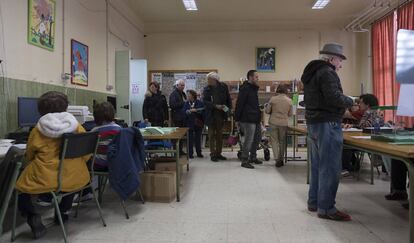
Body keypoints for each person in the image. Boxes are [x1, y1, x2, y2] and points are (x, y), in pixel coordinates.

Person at [15, 91, 90, 239]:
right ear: (66, 107)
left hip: (45, 179)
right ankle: (63, 211)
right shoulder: (78, 128)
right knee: (71, 178)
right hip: (76, 178)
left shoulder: (37, 130)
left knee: (20, 189)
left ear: (40, 110)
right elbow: (86, 155)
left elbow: (29, 156)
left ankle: (32, 215)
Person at [301, 43, 353, 221]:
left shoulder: (312, 72)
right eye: (339, 60)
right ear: (331, 59)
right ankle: (327, 208)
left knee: (317, 165)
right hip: (328, 123)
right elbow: (334, 97)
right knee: (330, 167)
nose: (340, 64)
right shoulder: (327, 72)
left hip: (314, 123)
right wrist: (351, 101)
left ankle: (314, 202)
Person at [342, 94, 384, 174]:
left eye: (361, 103)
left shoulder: (373, 113)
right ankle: (351, 166)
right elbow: (362, 126)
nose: (359, 105)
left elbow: (365, 125)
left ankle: (346, 168)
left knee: (344, 145)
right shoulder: (368, 112)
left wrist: (354, 125)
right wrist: (352, 125)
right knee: (344, 144)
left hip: (369, 141)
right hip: (365, 138)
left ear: (367, 105)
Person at [235, 70, 262, 169]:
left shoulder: (254, 89)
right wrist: (237, 119)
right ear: (250, 77)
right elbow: (239, 104)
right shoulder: (245, 88)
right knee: (248, 140)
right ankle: (244, 160)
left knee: (258, 137)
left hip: (255, 118)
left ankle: (253, 157)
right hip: (247, 118)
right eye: (256, 77)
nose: (258, 79)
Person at [202, 72, 232, 162]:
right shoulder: (206, 89)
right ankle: (213, 154)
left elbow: (228, 99)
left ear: (214, 80)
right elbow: (205, 101)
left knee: (220, 135)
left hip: (221, 115)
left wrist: (229, 109)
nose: (208, 81)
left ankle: (219, 153)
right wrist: (215, 106)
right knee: (211, 135)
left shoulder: (223, 86)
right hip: (211, 115)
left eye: (209, 79)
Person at [265, 84, 293, 167]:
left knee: (274, 141)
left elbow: (267, 111)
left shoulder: (273, 99)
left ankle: (277, 159)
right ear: (286, 91)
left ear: (278, 90)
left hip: (273, 122)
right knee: (282, 142)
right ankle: (281, 159)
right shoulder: (289, 101)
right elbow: (290, 114)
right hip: (283, 123)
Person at [183, 90, 204, 159]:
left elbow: (203, 111)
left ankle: (199, 152)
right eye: (187, 95)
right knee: (190, 139)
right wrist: (187, 111)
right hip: (189, 123)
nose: (187, 96)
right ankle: (190, 153)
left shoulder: (199, 102)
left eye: (189, 95)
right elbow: (183, 111)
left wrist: (196, 110)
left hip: (198, 123)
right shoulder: (186, 103)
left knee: (198, 138)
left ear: (192, 95)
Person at [169, 79, 187, 155]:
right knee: (177, 135)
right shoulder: (173, 94)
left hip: (183, 117)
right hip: (177, 118)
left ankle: (180, 150)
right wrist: (183, 103)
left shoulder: (183, 94)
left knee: (182, 134)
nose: (183, 87)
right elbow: (172, 105)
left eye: (183, 85)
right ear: (177, 85)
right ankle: (176, 151)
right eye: (181, 85)